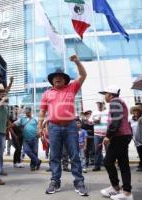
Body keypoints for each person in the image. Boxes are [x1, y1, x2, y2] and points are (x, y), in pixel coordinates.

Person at [38, 55, 88, 196]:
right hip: (53, 127)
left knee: (74, 155)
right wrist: (39, 127)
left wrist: (77, 61)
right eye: (55, 77)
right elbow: (42, 111)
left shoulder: (71, 88)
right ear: (52, 80)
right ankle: (55, 181)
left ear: (65, 79)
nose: (57, 78)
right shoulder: (47, 93)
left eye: (60, 76)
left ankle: (79, 182)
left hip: (71, 126)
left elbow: (83, 75)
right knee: (54, 155)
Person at [99, 85, 133, 200]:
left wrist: (108, 136)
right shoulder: (117, 102)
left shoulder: (115, 101)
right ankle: (123, 190)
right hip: (122, 136)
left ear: (110, 95)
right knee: (122, 163)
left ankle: (119, 189)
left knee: (108, 161)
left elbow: (116, 120)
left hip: (119, 136)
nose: (104, 97)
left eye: (105, 94)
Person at [13, 107, 41, 171]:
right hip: (25, 138)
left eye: (28, 112)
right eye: (26, 112)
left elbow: (40, 125)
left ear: (31, 112)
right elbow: (15, 123)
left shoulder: (35, 118)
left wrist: (39, 131)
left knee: (34, 152)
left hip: (34, 138)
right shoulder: (22, 118)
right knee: (27, 150)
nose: (27, 113)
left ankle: (33, 166)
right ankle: (37, 161)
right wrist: (9, 126)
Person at [92, 100, 108, 171]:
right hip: (97, 134)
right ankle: (97, 166)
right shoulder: (94, 112)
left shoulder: (107, 112)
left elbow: (111, 121)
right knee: (97, 150)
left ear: (103, 104)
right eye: (98, 103)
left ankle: (109, 165)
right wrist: (94, 121)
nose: (99, 105)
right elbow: (89, 122)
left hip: (106, 134)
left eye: (101, 104)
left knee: (108, 149)